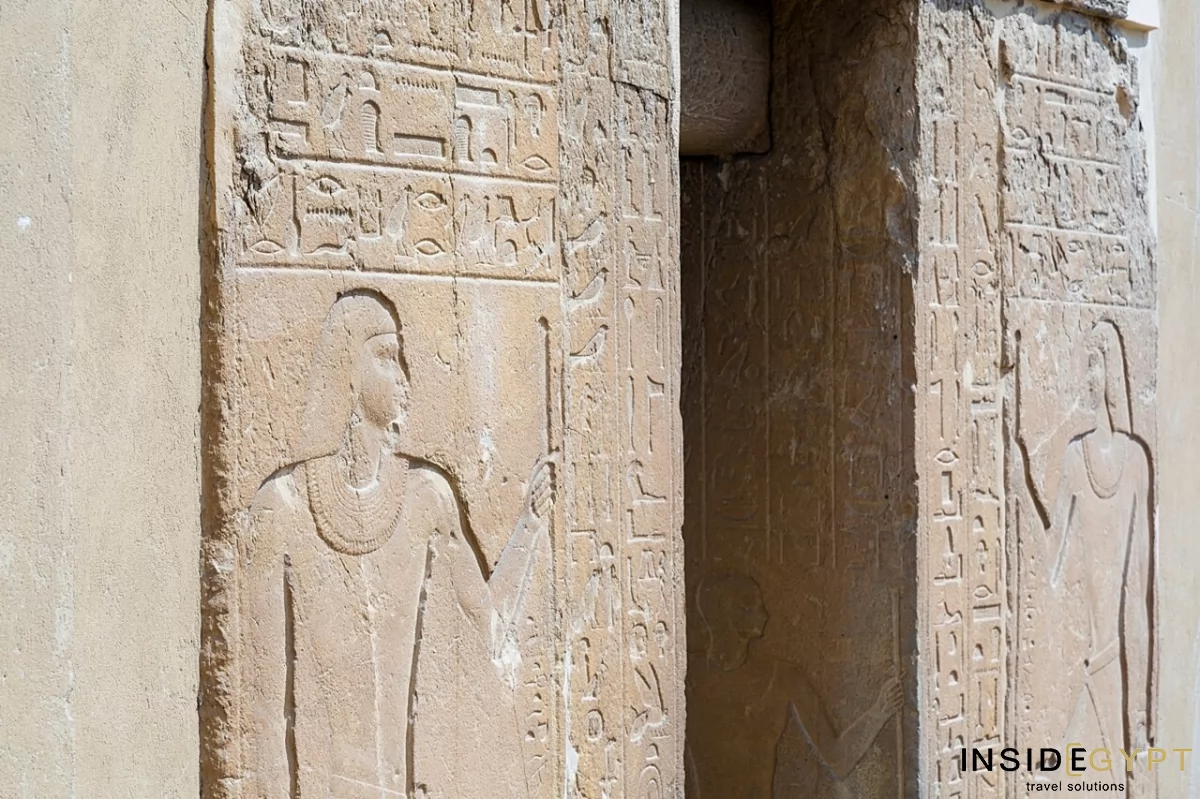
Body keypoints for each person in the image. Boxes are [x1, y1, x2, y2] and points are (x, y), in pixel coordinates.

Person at [239, 289, 553, 798]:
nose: (404, 376)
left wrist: (530, 526)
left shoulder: (427, 497)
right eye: (387, 357)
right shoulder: (283, 507)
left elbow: (489, 619)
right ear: (348, 368)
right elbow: (265, 710)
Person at [1027, 320, 1153, 794]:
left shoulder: (1136, 460)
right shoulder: (1075, 458)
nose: (1087, 377)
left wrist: (1139, 714)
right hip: (1083, 661)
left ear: (1112, 371)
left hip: (1115, 660)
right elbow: (1053, 560)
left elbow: (1138, 592)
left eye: (1095, 365)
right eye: (1085, 365)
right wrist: (1020, 481)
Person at [684, 572, 904, 798]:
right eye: (751, 605)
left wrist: (880, 711)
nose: (765, 615)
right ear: (727, 613)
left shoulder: (784, 679)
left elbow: (838, 760)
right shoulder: (686, 676)